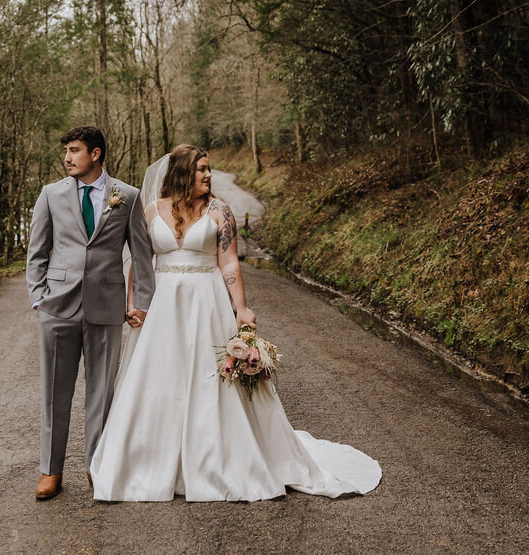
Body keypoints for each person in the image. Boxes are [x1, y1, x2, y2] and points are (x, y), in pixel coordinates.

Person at [89, 144, 382, 501]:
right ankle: (150, 461)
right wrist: (133, 301)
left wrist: (241, 309)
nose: (209, 175)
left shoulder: (220, 211)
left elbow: (228, 263)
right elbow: (140, 258)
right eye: (202, 170)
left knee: (209, 380)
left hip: (207, 301)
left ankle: (215, 458)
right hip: (163, 304)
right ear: (182, 172)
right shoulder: (152, 210)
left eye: (209, 169)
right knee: (160, 376)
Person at [26, 126, 155, 500]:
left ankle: (97, 466)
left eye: (74, 150)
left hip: (107, 307)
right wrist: (39, 298)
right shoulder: (50, 194)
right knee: (55, 392)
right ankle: (51, 471)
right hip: (57, 308)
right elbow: (37, 251)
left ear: (95, 154)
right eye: (66, 150)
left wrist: (142, 303)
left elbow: (142, 255)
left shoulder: (126, 196)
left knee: (101, 393)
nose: (67, 157)